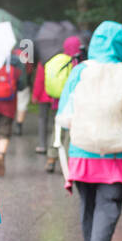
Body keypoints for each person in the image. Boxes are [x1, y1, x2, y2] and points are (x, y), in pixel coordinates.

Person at [55, 20, 122, 241]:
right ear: (121, 45)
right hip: (118, 154)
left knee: (88, 205)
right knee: (108, 206)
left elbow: (64, 113)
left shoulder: (80, 70)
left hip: (83, 152)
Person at [37, 35, 84, 174]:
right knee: (70, 132)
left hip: (58, 103)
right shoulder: (77, 64)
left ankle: (51, 159)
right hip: (74, 105)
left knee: (57, 130)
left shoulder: (57, 60)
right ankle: (69, 161)